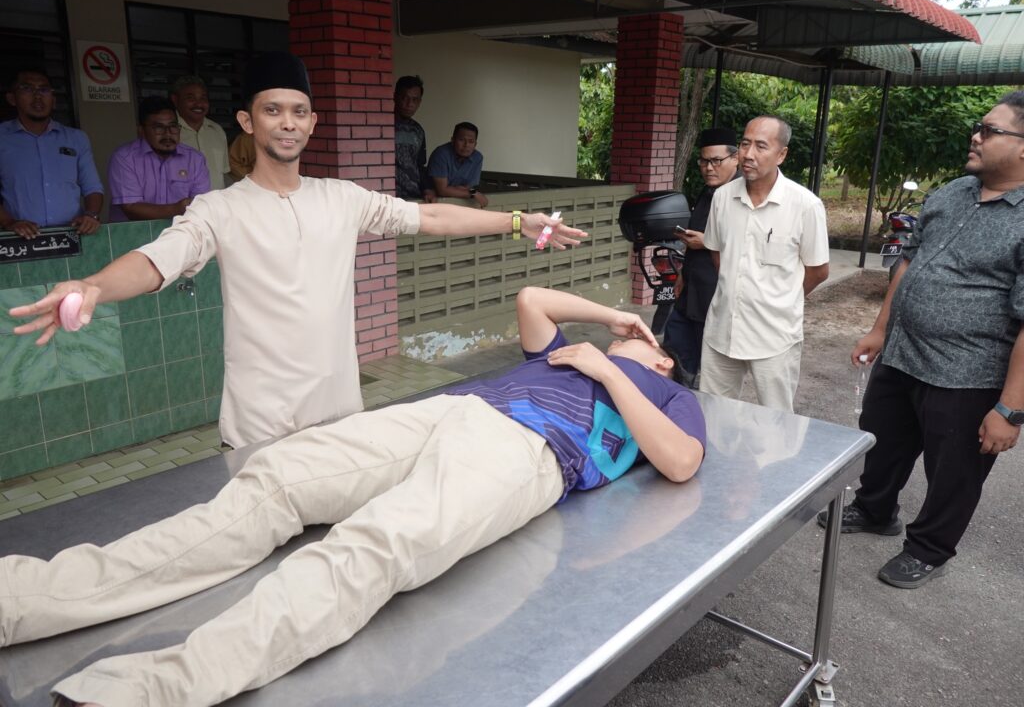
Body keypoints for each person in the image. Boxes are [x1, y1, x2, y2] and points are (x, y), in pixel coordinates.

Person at [1, 286, 707, 707]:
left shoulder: (667, 395)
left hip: (529, 451)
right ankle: (22, 598)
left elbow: (680, 462)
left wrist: (612, 372)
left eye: (646, 341)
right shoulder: (566, 351)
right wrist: (611, 320)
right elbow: (530, 300)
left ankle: (151, 690)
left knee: (378, 543)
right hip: (452, 410)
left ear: (665, 359)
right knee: (277, 477)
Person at [10, 52, 585, 451]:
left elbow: (430, 216)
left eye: (298, 111)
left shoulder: (342, 198)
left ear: (312, 122)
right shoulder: (218, 209)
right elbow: (160, 259)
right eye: (272, 110)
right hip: (260, 428)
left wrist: (518, 221)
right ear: (247, 120)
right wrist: (93, 286)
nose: (287, 124)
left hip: (339, 415)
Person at [819, 94, 1024, 589]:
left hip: (967, 372)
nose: (975, 136)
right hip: (903, 354)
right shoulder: (953, 191)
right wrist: (880, 329)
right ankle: (875, 509)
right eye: (978, 126)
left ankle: (929, 548)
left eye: (989, 130)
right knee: (882, 439)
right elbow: (908, 260)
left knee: (954, 470)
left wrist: (1011, 410)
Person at [700, 115, 829, 412]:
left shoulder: (805, 205)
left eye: (761, 146)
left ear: (781, 154)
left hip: (774, 337)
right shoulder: (722, 198)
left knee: (777, 421)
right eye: (745, 144)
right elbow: (717, 253)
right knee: (713, 414)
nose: (748, 154)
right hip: (721, 330)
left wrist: (782, 298)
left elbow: (818, 270)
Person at [663, 127, 740, 385]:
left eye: (716, 161)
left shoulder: (743, 196)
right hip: (690, 290)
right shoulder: (708, 191)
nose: (709, 168)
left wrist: (706, 242)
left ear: (735, 158)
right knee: (672, 355)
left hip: (716, 296)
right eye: (704, 161)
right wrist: (682, 274)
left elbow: (747, 244)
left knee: (709, 371)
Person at [0, 68, 103, 238]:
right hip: (20, 237)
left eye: (44, 90)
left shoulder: (76, 138)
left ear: (53, 100)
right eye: (27, 88)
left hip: (72, 235)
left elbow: (92, 187)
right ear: (12, 98)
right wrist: (8, 222)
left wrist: (91, 215)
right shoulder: (3, 137)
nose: (37, 96)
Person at [107, 96, 211, 222]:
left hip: (181, 231)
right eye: (159, 128)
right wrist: (177, 209)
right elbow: (131, 208)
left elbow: (200, 206)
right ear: (141, 131)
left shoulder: (195, 159)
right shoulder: (124, 158)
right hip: (134, 233)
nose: (168, 134)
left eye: (173, 126)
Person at [171, 75, 230, 189]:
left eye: (203, 98)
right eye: (190, 98)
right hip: (182, 201)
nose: (198, 104)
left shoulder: (217, 131)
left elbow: (223, 174)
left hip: (215, 200)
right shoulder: (168, 133)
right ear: (175, 100)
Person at [427, 122, 487, 207]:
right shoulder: (441, 154)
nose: (466, 145)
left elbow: (468, 188)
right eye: (461, 140)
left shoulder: (477, 157)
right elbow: (442, 191)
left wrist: (468, 191)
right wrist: (473, 193)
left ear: (475, 144)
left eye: (471, 141)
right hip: (434, 202)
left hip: (458, 203)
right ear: (453, 140)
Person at [393, 74, 432, 200]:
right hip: (387, 196)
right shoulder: (381, 125)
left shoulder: (418, 131)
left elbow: (420, 165)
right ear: (395, 96)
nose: (409, 104)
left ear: (420, 102)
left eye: (415, 100)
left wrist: (427, 189)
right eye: (405, 98)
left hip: (413, 197)